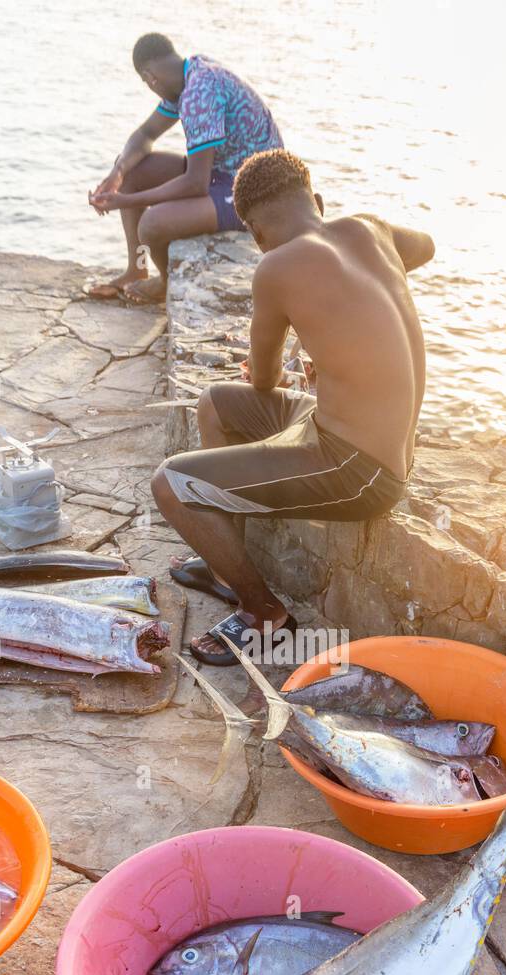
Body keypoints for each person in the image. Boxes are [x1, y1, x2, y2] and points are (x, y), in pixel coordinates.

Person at [153, 150, 435, 664]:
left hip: (359, 469)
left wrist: (304, 339)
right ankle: (221, 569)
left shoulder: (275, 267)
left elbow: (264, 378)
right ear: (316, 201)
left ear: (256, 232)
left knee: (170, 484)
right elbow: (427, 246)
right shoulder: (370, 228)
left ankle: (265, 616)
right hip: (342, 431)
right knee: (215, 406)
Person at [88, 33, 283, 304]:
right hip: (224, 173)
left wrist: (125, 201)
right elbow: (145, 134)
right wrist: (117, 174)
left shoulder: (198, 94)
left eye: (146, 83)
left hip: (253, 193)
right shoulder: (187, 74)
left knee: (152, 224)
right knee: (132, 173)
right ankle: (137, 268)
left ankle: (165, 284)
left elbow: (195, 183)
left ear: (149, 77)